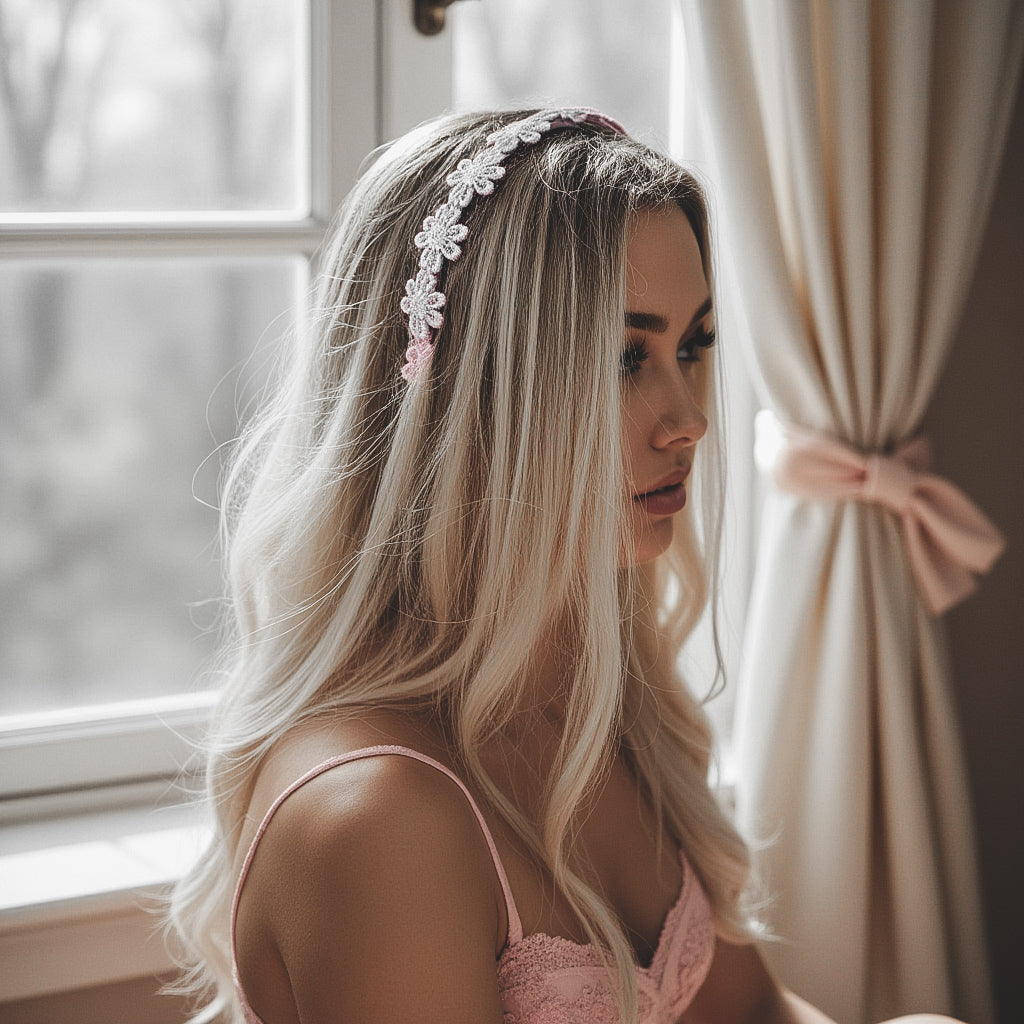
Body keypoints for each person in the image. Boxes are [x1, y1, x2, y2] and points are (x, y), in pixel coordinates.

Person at [169, 108, 955, 1024]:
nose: (688, 417)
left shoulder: (596, 703)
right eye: (625, 357)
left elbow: (758, 1015)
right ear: (470, 400)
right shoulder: (376, 818)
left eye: (691, 346)